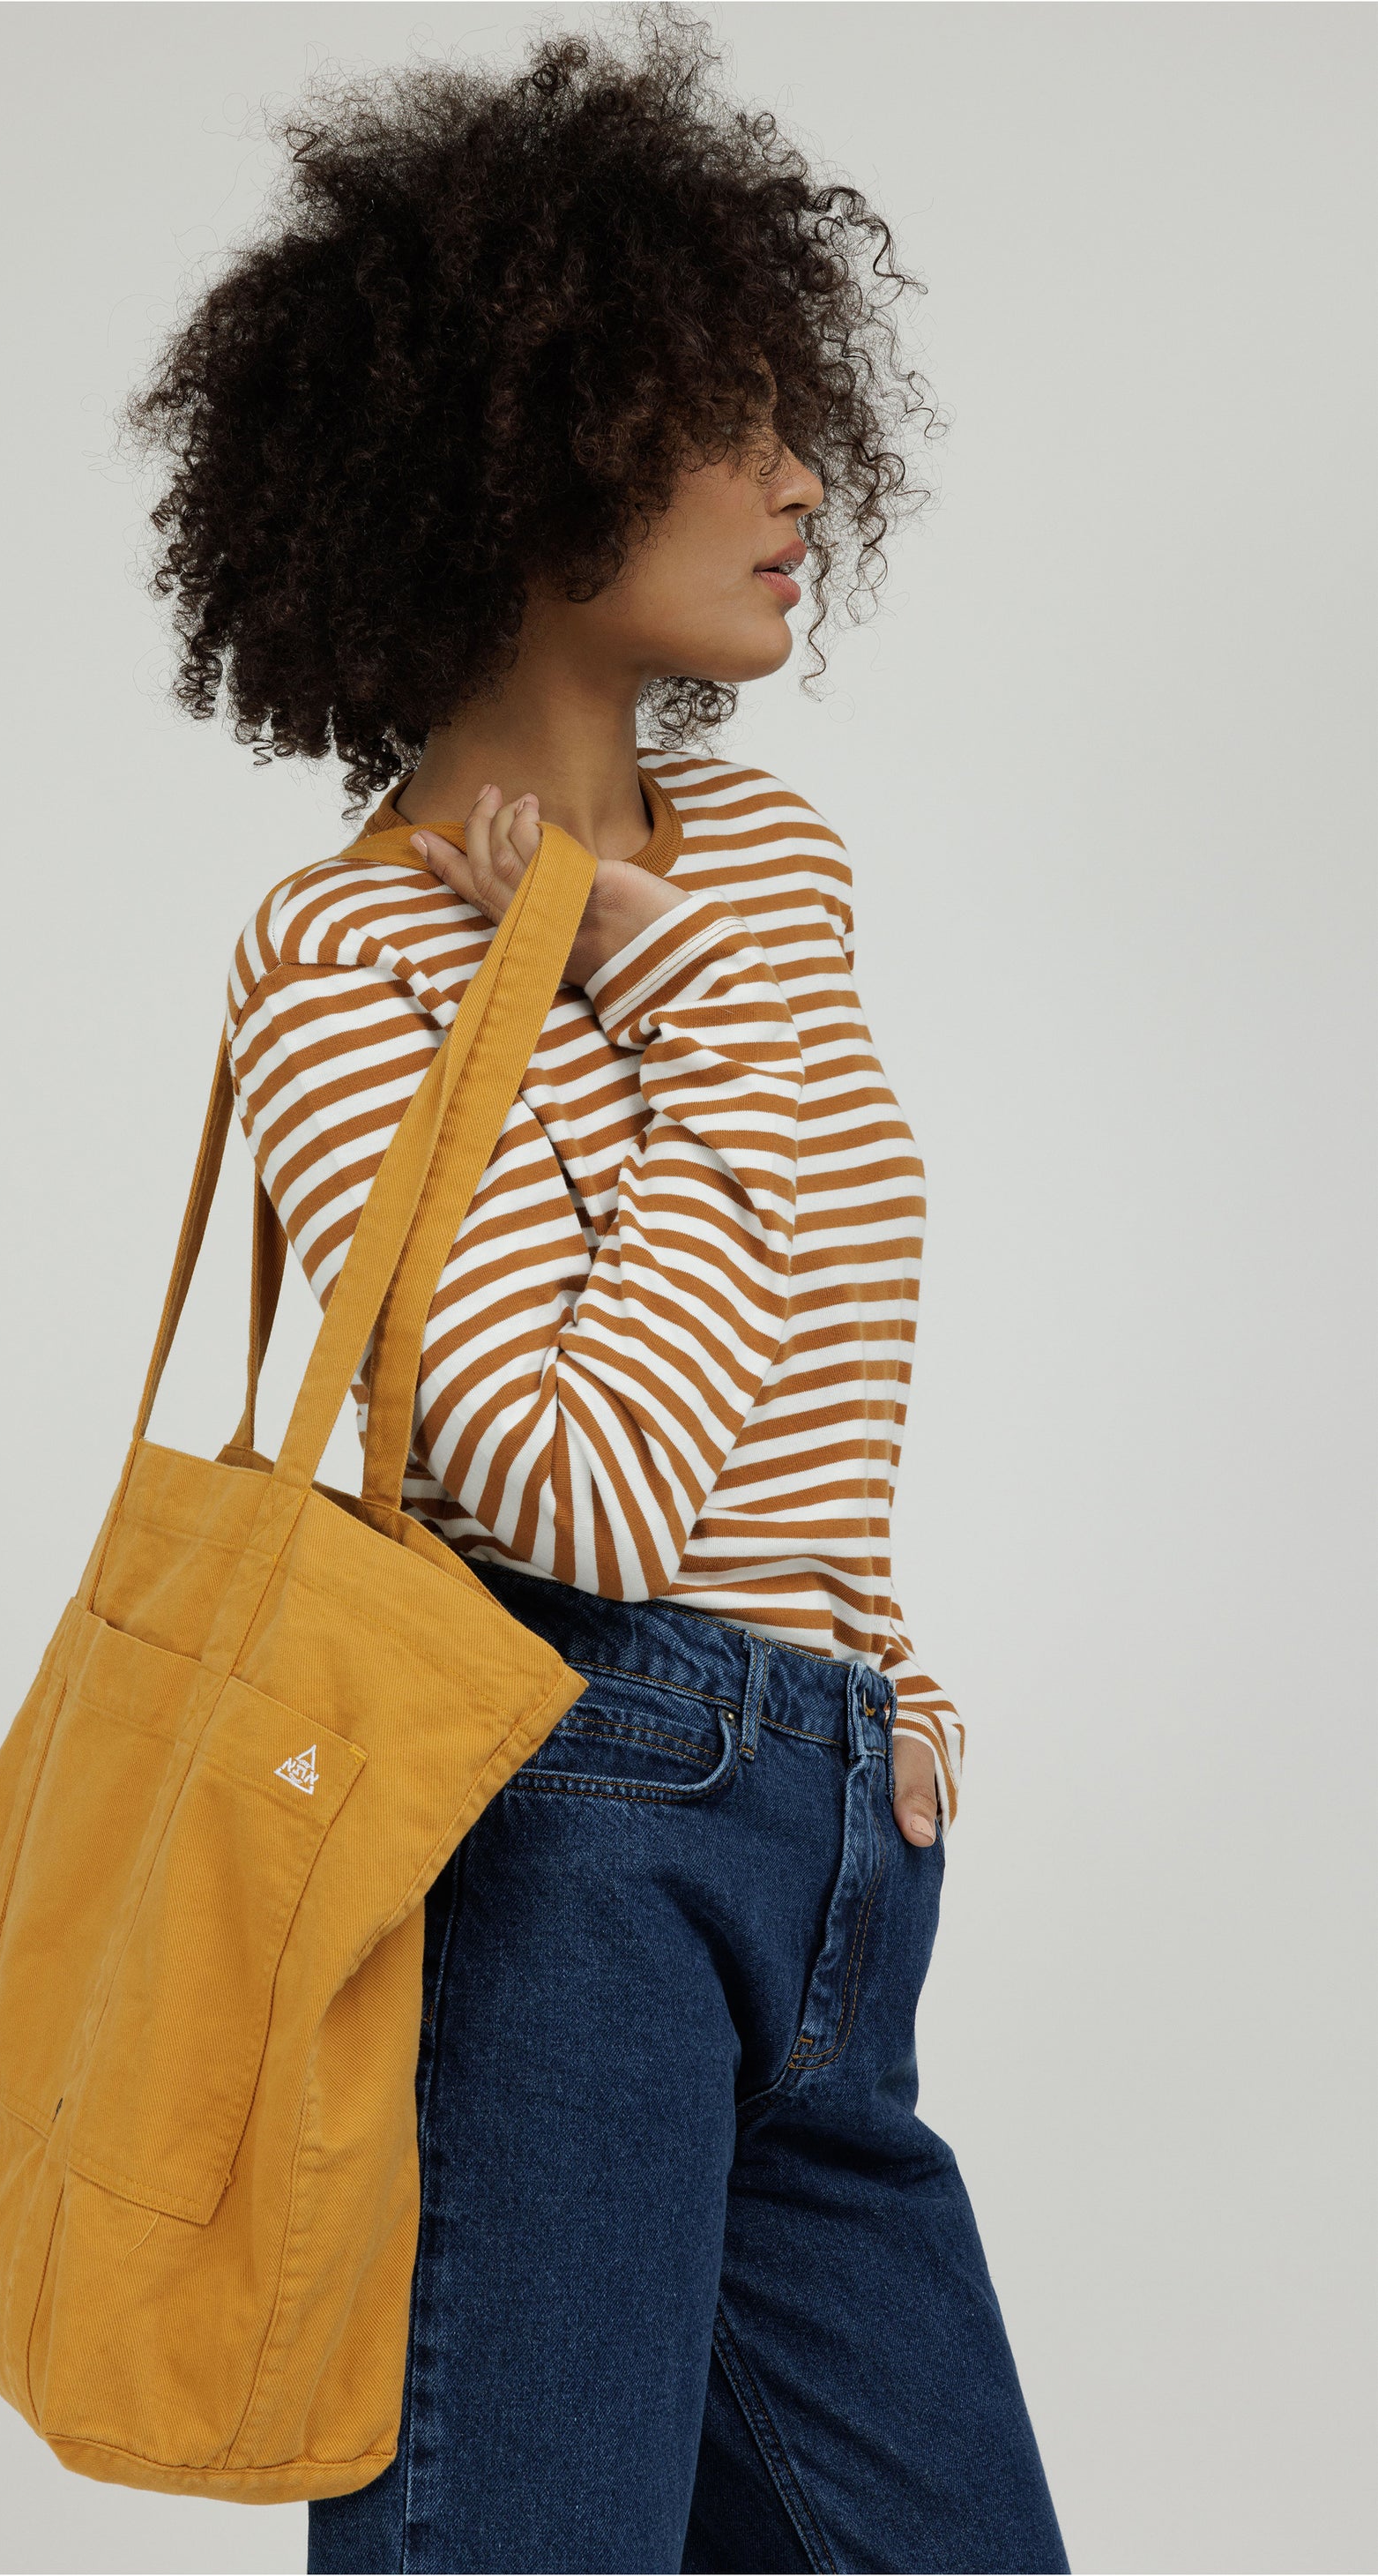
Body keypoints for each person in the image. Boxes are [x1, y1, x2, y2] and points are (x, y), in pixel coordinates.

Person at [123, 12, 1067, 2570]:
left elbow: (814, 1341)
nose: (800, 481)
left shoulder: (768, 863)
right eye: (719, 421)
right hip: (561, 1850)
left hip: (831, 1857)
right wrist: (668, 999)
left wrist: (874, 1679)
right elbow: (584, 1492)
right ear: (519, 459)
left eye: (796, 415)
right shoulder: (344, 958)